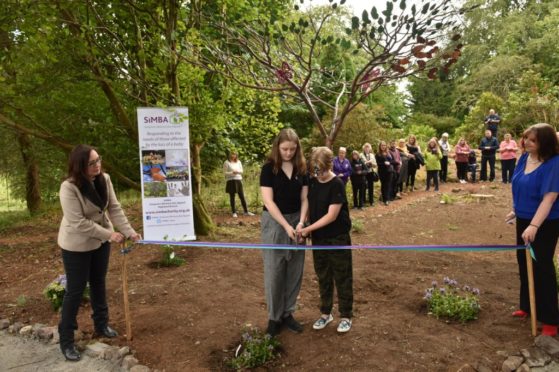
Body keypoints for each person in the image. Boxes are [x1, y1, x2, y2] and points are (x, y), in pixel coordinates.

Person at [57, 145, 141, 362]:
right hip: (76, 245)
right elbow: (77, 222)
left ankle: (101, 324)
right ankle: (66, 340)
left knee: (98, 282)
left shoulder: (106, 178)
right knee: (75, 291)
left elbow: (114, 208)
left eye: (98, 160)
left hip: (101, 242)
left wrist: (129, 232)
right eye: (92, 163)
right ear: (80, 166)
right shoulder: (68, 188)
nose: (97, 165)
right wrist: (109, 234)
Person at [506, 123, 559, 336]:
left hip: (545, 222)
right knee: (523, 261)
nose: (526, 142)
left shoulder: (554, 164)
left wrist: (534, 225)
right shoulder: (524, 159)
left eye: (532, 140)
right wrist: (516, 210)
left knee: (542, 266)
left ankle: (550, 320)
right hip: (524, 219)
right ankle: (527, 306)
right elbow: (519, 186)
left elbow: (549, 198)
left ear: (543, 143)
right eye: (526, 137)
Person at [259, 128, 308, 337]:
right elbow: (268, 201)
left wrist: (301, 223)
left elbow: (305, 199)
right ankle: (274, 317)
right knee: (274, 270)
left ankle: (288, 313)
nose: (288, 153)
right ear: (277, 147)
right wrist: (286, 226)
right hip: (274, 223)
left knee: (295, 270)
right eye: (285, 149)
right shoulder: (269, 169)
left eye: (292, 149)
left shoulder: (302, 168)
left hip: (297, 220)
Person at [300, 147, 353, 333]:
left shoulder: (337, 184)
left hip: (337, 238)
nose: (318, 174)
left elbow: (331, 216)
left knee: (342, 276)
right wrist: (303, 223)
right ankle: (326, 313)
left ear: (330, 165)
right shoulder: (313, 180)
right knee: (323, 275)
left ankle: (346, 315)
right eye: (315, 169)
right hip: (319, 239)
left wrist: (308, 229)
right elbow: (308, 202)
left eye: (321, 170)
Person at [223, 151, 254, 217]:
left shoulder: (238, 162)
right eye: (232, 154)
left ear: (236, 155)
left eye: (235, 154)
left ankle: (246, 211)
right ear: (230, 154)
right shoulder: (226, 162)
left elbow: (241, 171)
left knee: (242, 196)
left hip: (238, 180)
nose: (233, 155)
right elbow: (225, 173)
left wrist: (237, 172)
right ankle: (234, 212)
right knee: (232, 197)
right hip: (231, 181)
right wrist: (232, 172)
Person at [375, 141, 394, 205]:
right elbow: (377, 163)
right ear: (380, 146)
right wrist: (384, 163)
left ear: (386, 146)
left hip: (389, 171)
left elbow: (392, 161)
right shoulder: (378, 154)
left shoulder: (388, 153)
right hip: (382, 171)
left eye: (384, 145)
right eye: (382, 145)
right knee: (383, 185)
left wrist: (389, 163)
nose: (383, 146)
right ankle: (384, 199)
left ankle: (387, 199)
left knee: (388, 185)